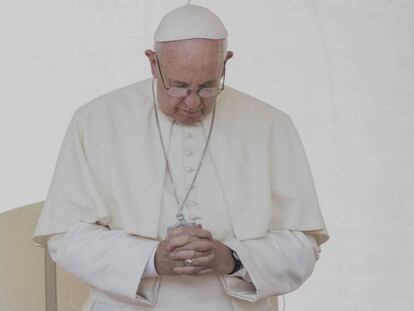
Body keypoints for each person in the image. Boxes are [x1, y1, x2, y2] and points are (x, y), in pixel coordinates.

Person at [33, 4, 329, 311]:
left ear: (225, 64)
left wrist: (232, 258)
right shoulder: (96, 121)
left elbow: (303, 245)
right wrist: (149, 259)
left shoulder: (271, 125)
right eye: (177, 86)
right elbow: (64, 237)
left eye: (206, 87)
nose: (191, 102)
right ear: (152, 63)